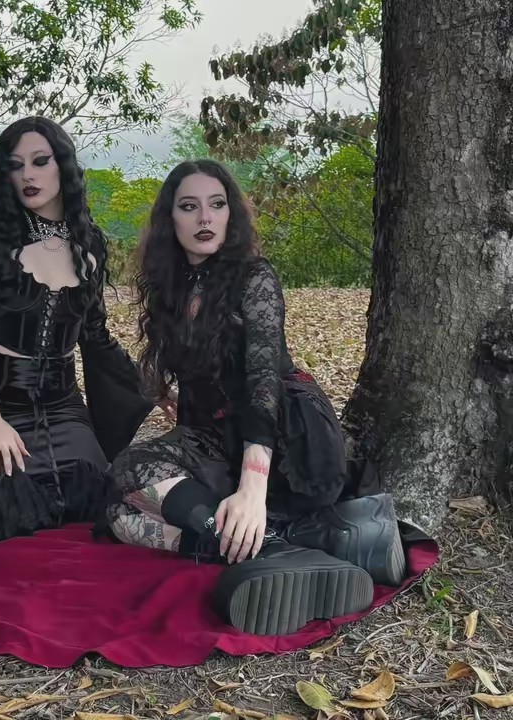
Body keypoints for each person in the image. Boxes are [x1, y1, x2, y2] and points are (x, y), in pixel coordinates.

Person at [102, 160, 405, 636]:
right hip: (218, 435)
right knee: (121, 511)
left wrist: (252, 489)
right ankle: (282, 542)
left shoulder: (254, 276)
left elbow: (263, 381)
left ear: (231, 215)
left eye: (216, 205)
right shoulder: (174, 284)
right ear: (170, 219)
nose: (205, 217)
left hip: (285, 439)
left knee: (136, 472)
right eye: (189, 206)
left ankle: (266, 532)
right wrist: (170, 393)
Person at [0, 116, 153, 542]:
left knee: (90, 496)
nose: (28, 175)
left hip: (61, 405)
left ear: (63, 165)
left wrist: (154, 387)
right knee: (13, 505)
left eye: (40, 161)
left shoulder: (89, 241)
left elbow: (94, 336)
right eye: (16, 165)